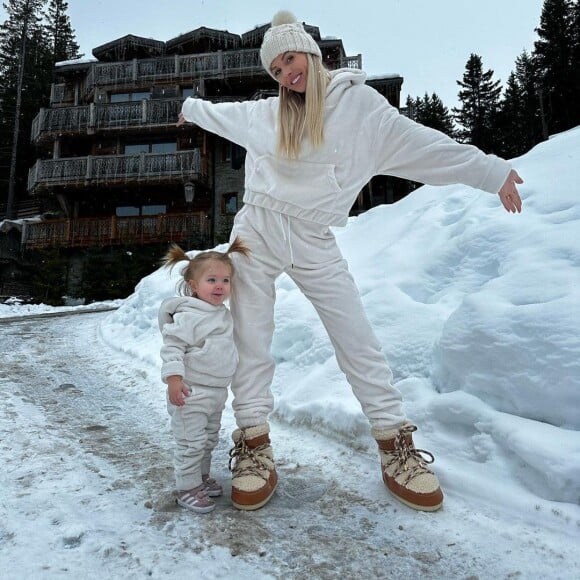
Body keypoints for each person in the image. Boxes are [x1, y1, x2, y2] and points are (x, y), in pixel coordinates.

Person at [177, 10, 523, 512]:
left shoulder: (362, 110)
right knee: (251, 338)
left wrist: (489, 171)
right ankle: (253, 443)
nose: (285, 74)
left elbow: (426, 146)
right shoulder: (270, 116)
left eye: (289, 59)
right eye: (274, 70)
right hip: (256, 230)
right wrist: (192, 107)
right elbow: (221, 113)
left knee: (355, 335)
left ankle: (394, 442)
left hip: (313, 235)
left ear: (311, 55)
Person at [158, 237, 250, 513]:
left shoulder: (221, 314)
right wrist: (174, 379)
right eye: (211, 280)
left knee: (208, 439)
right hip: (191, 392)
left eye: (225, 280)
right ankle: (186, 487)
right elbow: (172, 346)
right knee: (190, 442)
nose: (220, 286)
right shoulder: (190, 315)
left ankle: (200, 478)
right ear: (193, 286)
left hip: (216, 391)